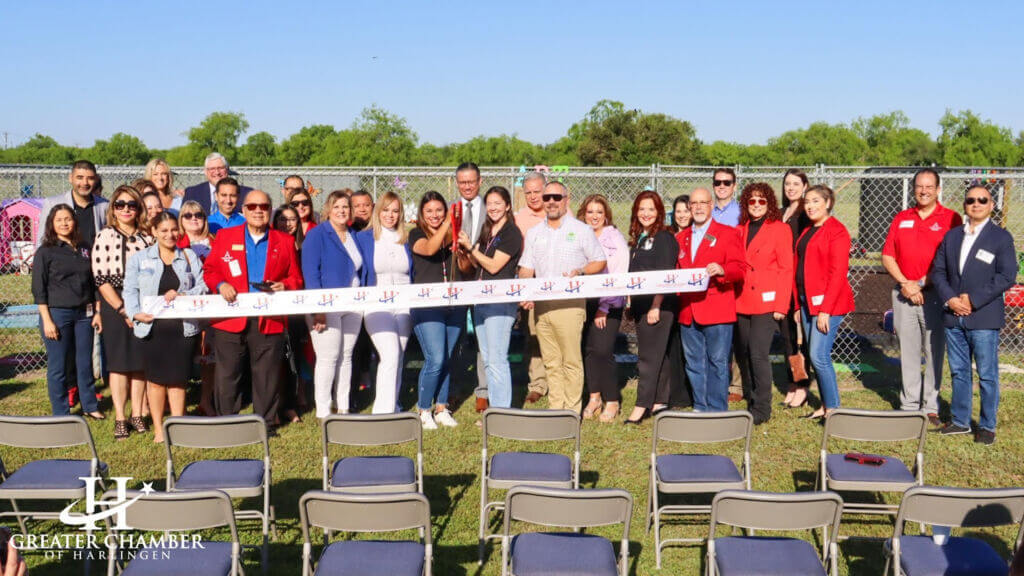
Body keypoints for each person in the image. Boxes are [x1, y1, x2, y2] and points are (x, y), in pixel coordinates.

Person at [204, 190, 303, 425]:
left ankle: (266, 423)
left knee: (266, 375)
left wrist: (285, 285)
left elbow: (297, 279)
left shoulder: (285, 241)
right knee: (228, 374)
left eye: (264, 206)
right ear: (244, 210)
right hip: (231, 318)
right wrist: (221, 284)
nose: (258, 210)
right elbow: (210, 270)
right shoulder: (225, 237)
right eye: (252, 206)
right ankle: (227, 422)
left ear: (270, 210)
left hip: (269, 319)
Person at [932, 185, 1016, 445]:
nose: (976, 204)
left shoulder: (1001, 238)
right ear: (965, 205)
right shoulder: (952, 236)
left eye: (983, 200)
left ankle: (987, 426)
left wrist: (973, 299)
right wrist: (952, 299)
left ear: (991, 205)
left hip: (983, 317)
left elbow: (1006, 276)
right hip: (953, 314)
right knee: (958, 371)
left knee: (987, 374)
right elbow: (938, 271)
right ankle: (960, 421)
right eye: (971, 200)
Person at [882, 168, 962, 428]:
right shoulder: (902, 217)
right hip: (904, 294)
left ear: (938, 189)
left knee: (934, 350)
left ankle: (929, 407)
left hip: (936, 296)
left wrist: (922, 284)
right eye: (919, 186)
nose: (924, 191)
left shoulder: (951, 219)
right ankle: (908, 406)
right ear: (913, 188)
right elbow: (888, 256)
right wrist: (906, 283)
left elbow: (952, 260)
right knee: (909, 351)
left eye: (929, 186)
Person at [519, 181, 607, 413]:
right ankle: (556, 408)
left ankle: (572, 410)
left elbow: (599, 260)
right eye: (547, 197)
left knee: (570, 360)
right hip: (542, 307)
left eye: (556, 197)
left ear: (566, 199)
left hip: (569, 306)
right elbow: (526, 268)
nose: (551, 202)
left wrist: (581, 271)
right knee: (551, 361)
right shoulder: (534, 233)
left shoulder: (581, 230)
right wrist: (526, 290)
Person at [123, 212, 207, 443]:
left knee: (178, 380)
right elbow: (129, 290)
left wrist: (183, 294)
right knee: (156, 380)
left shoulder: (189, 256)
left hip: (182, 329)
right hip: (152, 329)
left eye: (173, 230)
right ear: (154, 233)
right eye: (164, 231)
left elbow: (202, 286)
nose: (170, 235)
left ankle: (178, 426)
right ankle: (160, 429)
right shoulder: (139, 260)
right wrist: (133, 313)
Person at [676, 188, 745, 412]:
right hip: (688, 311)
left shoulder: (728, 233)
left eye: (702, 203)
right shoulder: (681, 238)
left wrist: (723, 269)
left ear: (710, 205)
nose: (697, 207)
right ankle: (700, 405)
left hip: (717, 309)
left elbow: (740, 269)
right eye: (693, 203)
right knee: (694, 363)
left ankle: (716, 409)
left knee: (717, 363)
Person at [32, 204, 103, 418]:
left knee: (84, 362)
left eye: (68, 219)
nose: (64, 223)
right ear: (52, 224)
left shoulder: (84, 248)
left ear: (74, 222)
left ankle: (90, 406)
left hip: (84, 314)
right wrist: (47, 319)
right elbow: (38, 288)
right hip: (57, 314)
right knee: (59, 366)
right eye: (59, 220)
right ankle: (61, 412)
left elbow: (94, 282)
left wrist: (97, 310)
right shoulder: (46, 251)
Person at [92, 185, 152, 439]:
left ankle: (137, 413)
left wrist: (138, 310)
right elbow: (101, 278)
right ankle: (120, 416)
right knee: (118, 365)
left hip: (143, 304)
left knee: (139, 364)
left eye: (132, 204)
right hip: (115, 306)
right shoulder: (104, 236)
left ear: (139, 209)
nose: (126, 209)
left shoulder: (148, 238)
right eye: (120, 204)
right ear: (113, 209)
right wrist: (123, 309)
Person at [301, 191, 365, 418]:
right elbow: (311, 273)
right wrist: (319, 310)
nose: (341, 211)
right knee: (328, 358)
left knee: (346, 356)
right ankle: (323, 410)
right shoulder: (317, 235)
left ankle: (343, 406)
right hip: (326, 306)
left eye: (345, 207)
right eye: (336, 206)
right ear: (328, 209)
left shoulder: (353, 234)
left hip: (353, 304)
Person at [794, 185, 855, 420]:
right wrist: (799, 306)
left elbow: (838, 273)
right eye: (807, 201)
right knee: (813, 353)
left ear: (828, 203)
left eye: (816, 201)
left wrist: (825, 310)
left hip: (827, 306)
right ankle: (825, 405)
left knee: (819, 356)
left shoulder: (837, 231)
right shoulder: (808, 229)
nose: (810, 206)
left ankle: (833, 409)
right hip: (806, 302)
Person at [458, 186, 522, 410]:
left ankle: (501, 410)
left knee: (497, 358)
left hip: (500, 302)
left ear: (507, 206)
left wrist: (472, 250)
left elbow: (494, 266)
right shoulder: (487, 231)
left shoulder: (511, 233)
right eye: (490, 204)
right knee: (487, 358)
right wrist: (466, 250)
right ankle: (495, 408)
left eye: (498, 203)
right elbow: (479, 265)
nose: (493, 208)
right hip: (480, 300)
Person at [735, 183, 793, 425]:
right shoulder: (740, 229)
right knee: (745, 354)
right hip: (741, 301)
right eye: (752, 201)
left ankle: (762, 408)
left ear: (769, 204)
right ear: (746, 204)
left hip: (767, 302)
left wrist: (781, 305)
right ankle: (750, 398)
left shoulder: (780, 229)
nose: (756, 205)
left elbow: (786, 268)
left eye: (762, 201)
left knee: (759, 354)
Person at [624, 191, 680, 424]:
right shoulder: (639, 237)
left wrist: (656, 305)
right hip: (640, 303)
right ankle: (659, 401)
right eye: (641, 209)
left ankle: (641, 406)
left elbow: (666, 274)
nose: (646, 213)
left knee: (647, 357)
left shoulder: (665, 238)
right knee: (659, 355)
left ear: (659, 212)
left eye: (651, 209)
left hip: (658, 305)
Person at [355, 191, 414, 414]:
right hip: (376, 304)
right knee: (389, 353)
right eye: (386, 209)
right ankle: (383, 412)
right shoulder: (363, 238)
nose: (390, 215)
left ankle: (395, 404)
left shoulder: (406, 239)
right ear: (378, 211)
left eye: (395, 210)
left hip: (404, 304)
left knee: (398, 355)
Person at [410, 191, 465, 429]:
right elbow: (430, 249)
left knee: (447, 359)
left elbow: (465, 266)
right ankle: (423, 409)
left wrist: (462, 248)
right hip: (427, 306)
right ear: (422, 214)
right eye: (429, 211)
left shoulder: (455, 234)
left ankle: (442, 407)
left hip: (454, 304)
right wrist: (448, 224)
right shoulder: (415, 234)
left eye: (439, 210)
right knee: (436, 358)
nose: (435, 215)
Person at [577, 194, 628, 422]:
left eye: (599, 212)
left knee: (603, 350)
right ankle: (594, 396)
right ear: (583, 214)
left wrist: (604, 308)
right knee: (588, 350)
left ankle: (612, 399)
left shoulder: (614, 239)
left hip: (609, 303)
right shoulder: (579, 235)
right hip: (584, 302)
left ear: (606, 214)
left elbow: (618, 274)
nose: (594, 216)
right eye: (590, 212)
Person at [176, 200, 217, 416]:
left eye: (198, 214)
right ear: (181, 220)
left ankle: (205, 400)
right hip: (184, 308)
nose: (194, 218)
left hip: (211, 307)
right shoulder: (176, 243)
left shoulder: (216, 242)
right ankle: (178, 403)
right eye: (188, 215)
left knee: (209, 359)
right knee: (181, 356)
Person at [514, 172, 549, 405]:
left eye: (537, 191)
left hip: (555, 284)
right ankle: (537, 383)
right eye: (529, 192)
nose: (533, 196)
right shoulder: (518, 218)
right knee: (533, 335)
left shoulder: (559, 212)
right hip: (530, 283)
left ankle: (556, 380)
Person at [780, 169, 813, 408]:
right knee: (788, 337)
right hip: (782, 283)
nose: (790, 188)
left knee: (803, 339)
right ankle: (793, 381)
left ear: (804, 186)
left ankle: (803, 385)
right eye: (787, 184)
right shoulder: (782, 213)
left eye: (795, 183)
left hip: (800, 283)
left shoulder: (805, 213)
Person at [273, 204, 309, 423]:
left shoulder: (305, 247)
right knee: (274, 361)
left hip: (297, 311)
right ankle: (275, 407)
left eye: (292, 219)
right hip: (273, 312)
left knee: (294, 359)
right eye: (282, 219)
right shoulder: (269, 244)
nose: (287, 224)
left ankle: (290, 404)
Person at [38, 160, 109, 251]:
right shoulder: (52, 203)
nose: (85, 183)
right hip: (63, 262)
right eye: (80, 177)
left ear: (95, 180)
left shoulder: (104, 205)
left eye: (90, 178)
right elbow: (42, 240)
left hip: (95, 263)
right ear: (71, 178)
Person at [182, 152, 253, 216]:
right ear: (206, 172)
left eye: (221, 168)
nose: (217, 172)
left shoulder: (246, 194)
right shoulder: (192, 193)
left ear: (227, 169)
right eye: (212, 169)